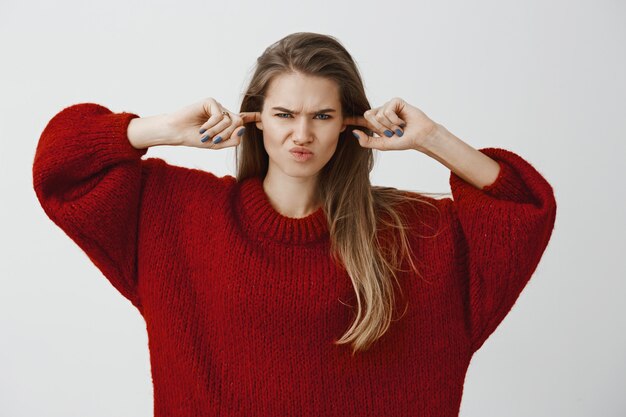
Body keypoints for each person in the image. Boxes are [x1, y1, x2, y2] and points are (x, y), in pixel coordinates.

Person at [32, 32, 557, 417]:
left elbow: (520, 211)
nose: (300, 134)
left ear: (349, 123)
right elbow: (61, 169)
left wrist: (431, 137)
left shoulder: (411, 236)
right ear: (255, 120)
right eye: (284, 115)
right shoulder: (176, 214)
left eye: (322, 116)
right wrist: (161, 129)